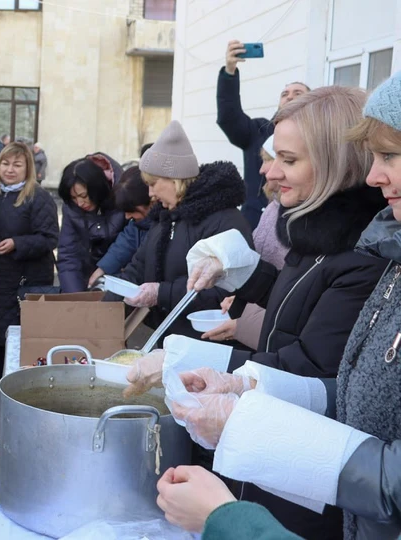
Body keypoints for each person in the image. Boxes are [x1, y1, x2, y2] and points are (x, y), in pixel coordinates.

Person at [127, 87, 388, 539]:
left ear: (334, 163)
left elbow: (310, 367)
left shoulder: (362, 257)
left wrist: (190, 364)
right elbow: (286, 312)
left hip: (303, 474)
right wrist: (237, 273)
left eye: (287, 159)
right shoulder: (315, 235)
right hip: (271, 450)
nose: (267, 171)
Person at [117, 120, 252, 341]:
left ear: (175, 180)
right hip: (167, 338)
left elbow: (226, 288)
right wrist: (105, 304)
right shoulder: (165, 217)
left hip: (203, 343)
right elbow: (139, 265)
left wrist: (161, 293)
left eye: (153, 183)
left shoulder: (224, 220)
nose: (150, 194)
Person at [0, 142, 59, 406]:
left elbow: (49, 238)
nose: (10, 170)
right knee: (1, 336)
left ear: (28, 168)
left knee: (24, 338)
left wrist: (18, 243)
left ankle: (23, 392)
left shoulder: (38, 198)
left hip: (26, 279)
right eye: (5, 163)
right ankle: (0, 387)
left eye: (17, 164)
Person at [202, 136, 289, 348]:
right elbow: (264, 276)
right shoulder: (272, 208)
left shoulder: (300, 218)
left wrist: (244, 324)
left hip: (273, 336)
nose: (262, 169)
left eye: (269, 160)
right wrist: (242, 299)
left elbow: (294, 297)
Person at [219, 39, 310, 228]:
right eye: (285, 94)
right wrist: (229, 71)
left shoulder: (316, 138)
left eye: (298, 93)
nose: (290, 96)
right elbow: (229, 117)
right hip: (253, 223)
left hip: (297, 223)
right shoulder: (258, 131)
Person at [56, 158, 125, 292]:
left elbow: (130, 243)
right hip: (86, 279)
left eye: (83, 196)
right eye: (74, 198)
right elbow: (68, 255)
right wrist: (75, 297)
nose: (80, 203)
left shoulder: (123, 195)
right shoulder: (71, 208)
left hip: (121, 281)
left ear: (96, 187)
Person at [87, 166, 153, 288]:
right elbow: (125, 244)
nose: (127, 217)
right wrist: (103, 268)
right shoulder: (136, 223)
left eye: (131, 211)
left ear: (151, 201)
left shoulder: (161, 225)